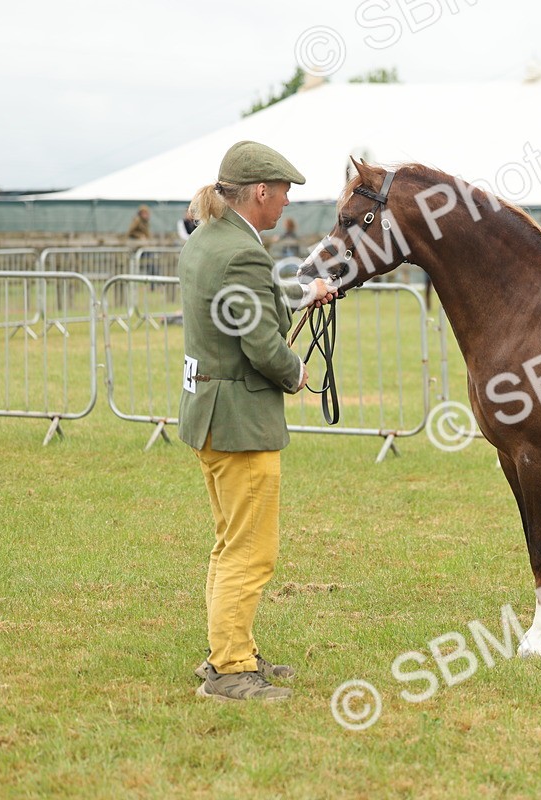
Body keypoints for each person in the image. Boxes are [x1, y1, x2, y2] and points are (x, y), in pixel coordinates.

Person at [179, 140, 337, 702]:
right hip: (241, 420)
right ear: (261, 193)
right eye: (285, 194)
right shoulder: (241, 252)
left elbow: (250, 302)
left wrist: (305, 291)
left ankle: (232, 650)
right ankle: (230, 671)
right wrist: (295, 374)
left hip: (210, 414)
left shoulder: (209, 239)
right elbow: (262, 344)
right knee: (251, 551)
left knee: (230, 544)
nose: (287, 205)